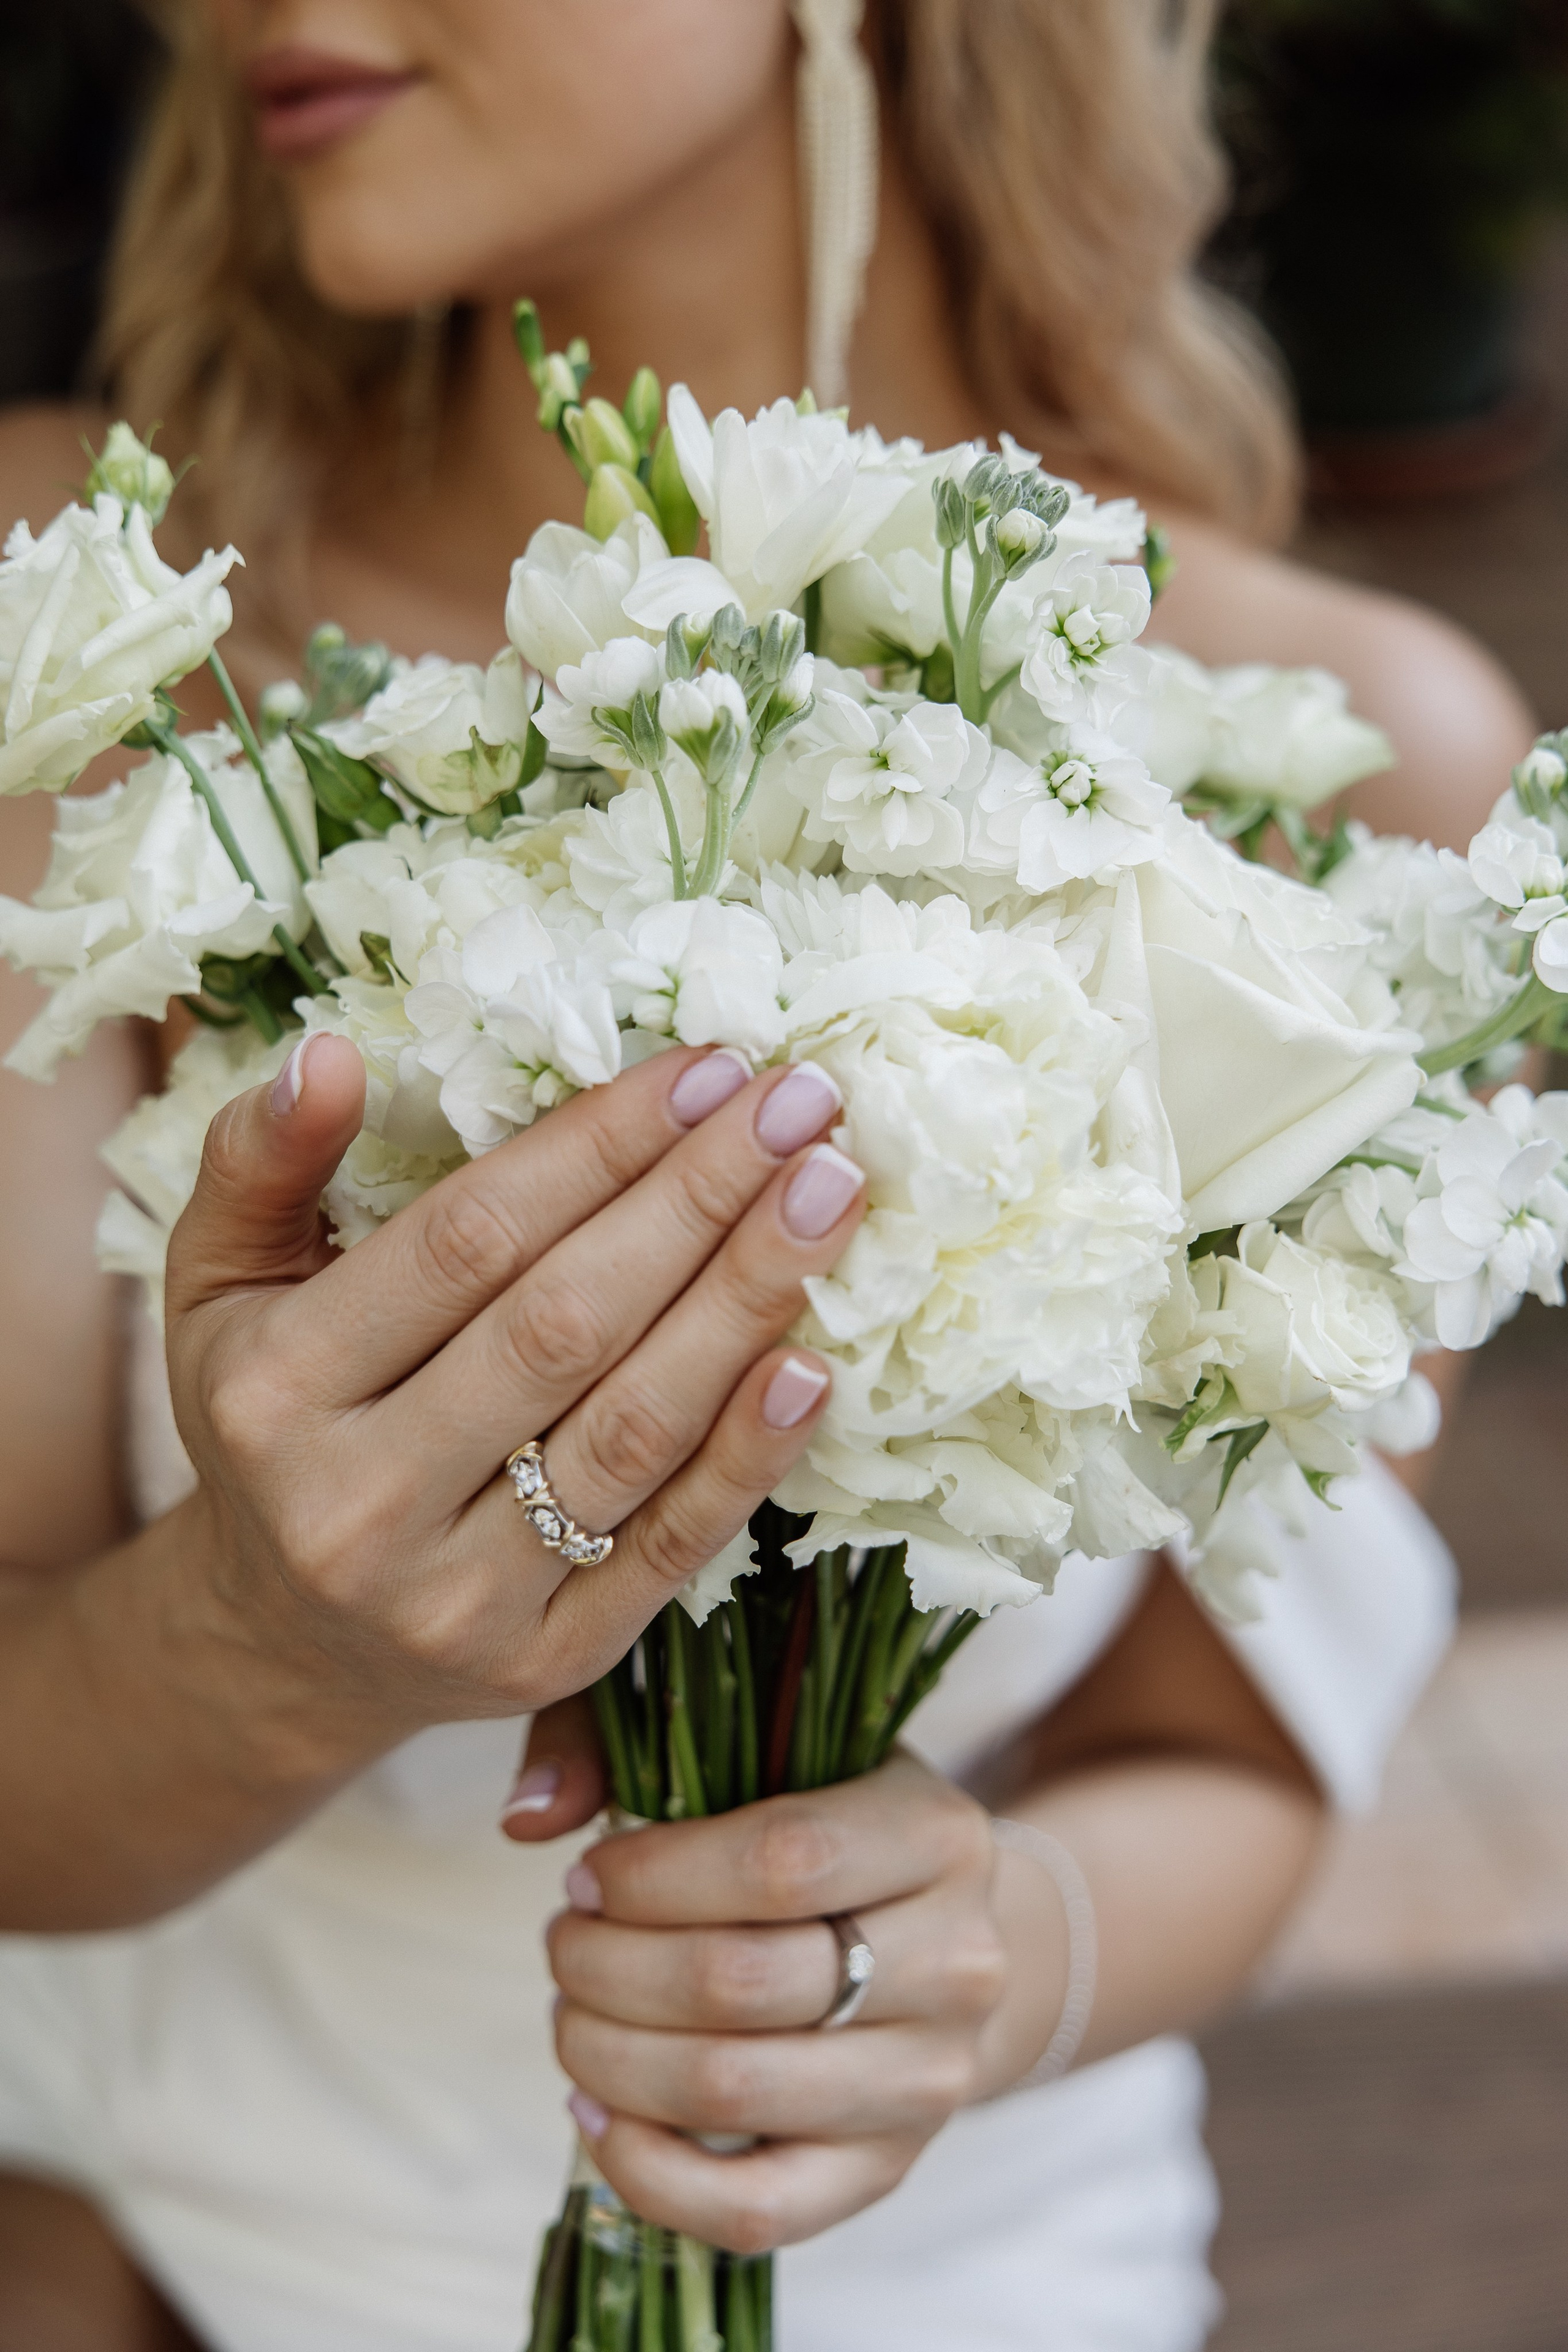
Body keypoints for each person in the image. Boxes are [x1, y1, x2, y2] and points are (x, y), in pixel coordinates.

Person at [0, 1, 1532, 2346]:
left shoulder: (1336, 762)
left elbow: (1221, 1765)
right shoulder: (90, 631)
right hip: (174, 2241)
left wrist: (992, 1960)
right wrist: (262, 1638)